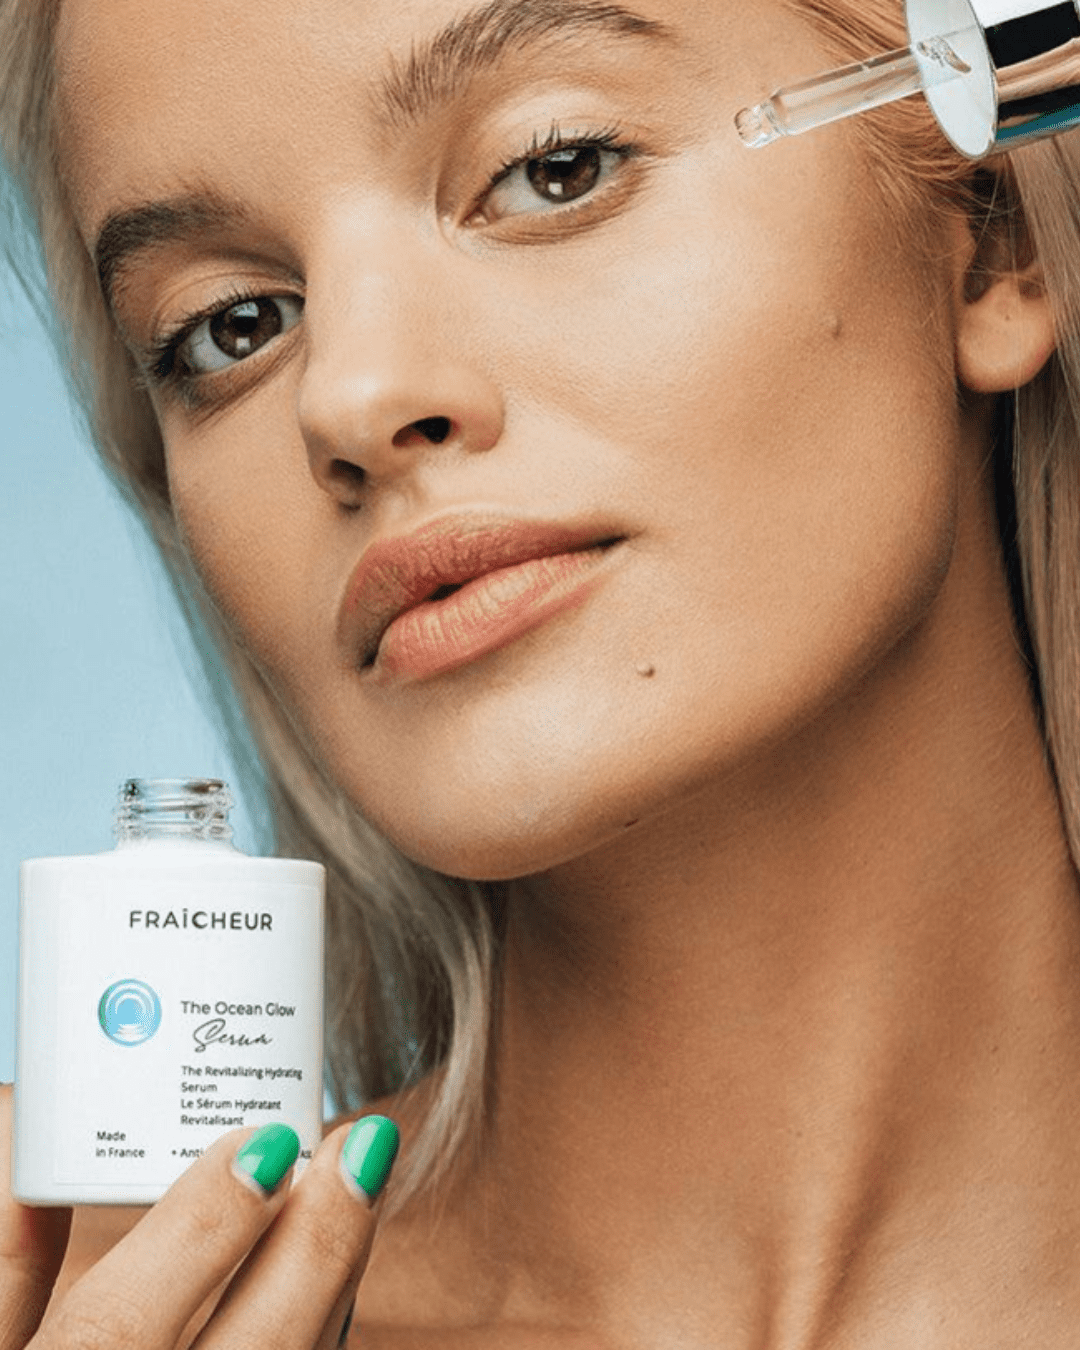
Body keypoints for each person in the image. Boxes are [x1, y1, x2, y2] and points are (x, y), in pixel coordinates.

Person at [3, 0, 1080, 1343]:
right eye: (232, 325)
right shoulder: (78, 1308)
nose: (349, 394)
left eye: (552, 167)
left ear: (994, 232)